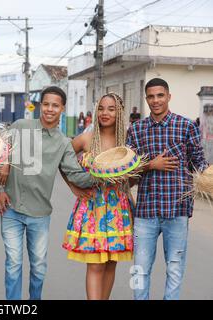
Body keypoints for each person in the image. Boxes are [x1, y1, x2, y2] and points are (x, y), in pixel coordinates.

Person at [0, 86, 93, 300]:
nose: (49, 109)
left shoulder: (63, 143)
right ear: (41, 105)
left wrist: (103, 174)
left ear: (62, 109)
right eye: (46, 104)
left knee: (38, 267)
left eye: (55, 105)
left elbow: (75, 174)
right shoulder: (21, 126)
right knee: (13, 264)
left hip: (39, 214)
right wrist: (0, 189)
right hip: (11, 208)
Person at [127, 78, 208, 300]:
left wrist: (209, 176)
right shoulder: (136, 130)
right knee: (139, 269)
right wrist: (150, 165)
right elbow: (127, 171)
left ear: (168, 96)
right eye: (151, 96)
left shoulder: (186, 126)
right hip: (145, 212)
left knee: (174, 269)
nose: (155, 100)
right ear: (146, 99)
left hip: (177, 211)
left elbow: (199, 163)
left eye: (160, 95)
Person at [63, 92, 134, 300]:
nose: (105, 113)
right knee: (95, 265)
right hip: (93, 208)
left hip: (118, 208)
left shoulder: (126, 142)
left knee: (111, 265)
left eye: (111, 109)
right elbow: (62, 159)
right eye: (101, 108)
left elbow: (134, 174)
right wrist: (72, 186)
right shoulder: (86, 138)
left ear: (119, 113)